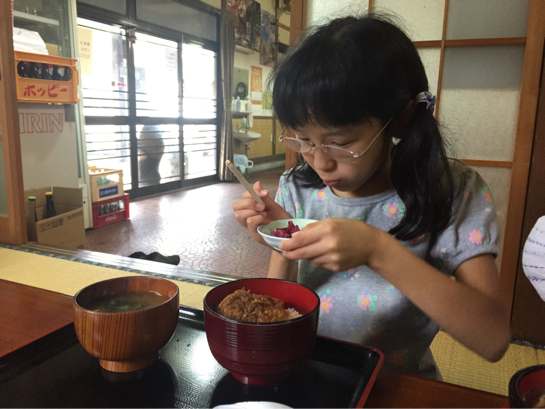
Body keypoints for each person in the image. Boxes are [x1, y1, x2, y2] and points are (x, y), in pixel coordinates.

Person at [231, 13, 511, 379]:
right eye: (302, 140)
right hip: (304, 372)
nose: (319, 162)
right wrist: (282, 239)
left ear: (401, 118)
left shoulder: (451, 191)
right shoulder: (298, 184)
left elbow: (493, 340)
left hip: (396, 384)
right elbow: (282, 307)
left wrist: (377, 250)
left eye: (340, 143)